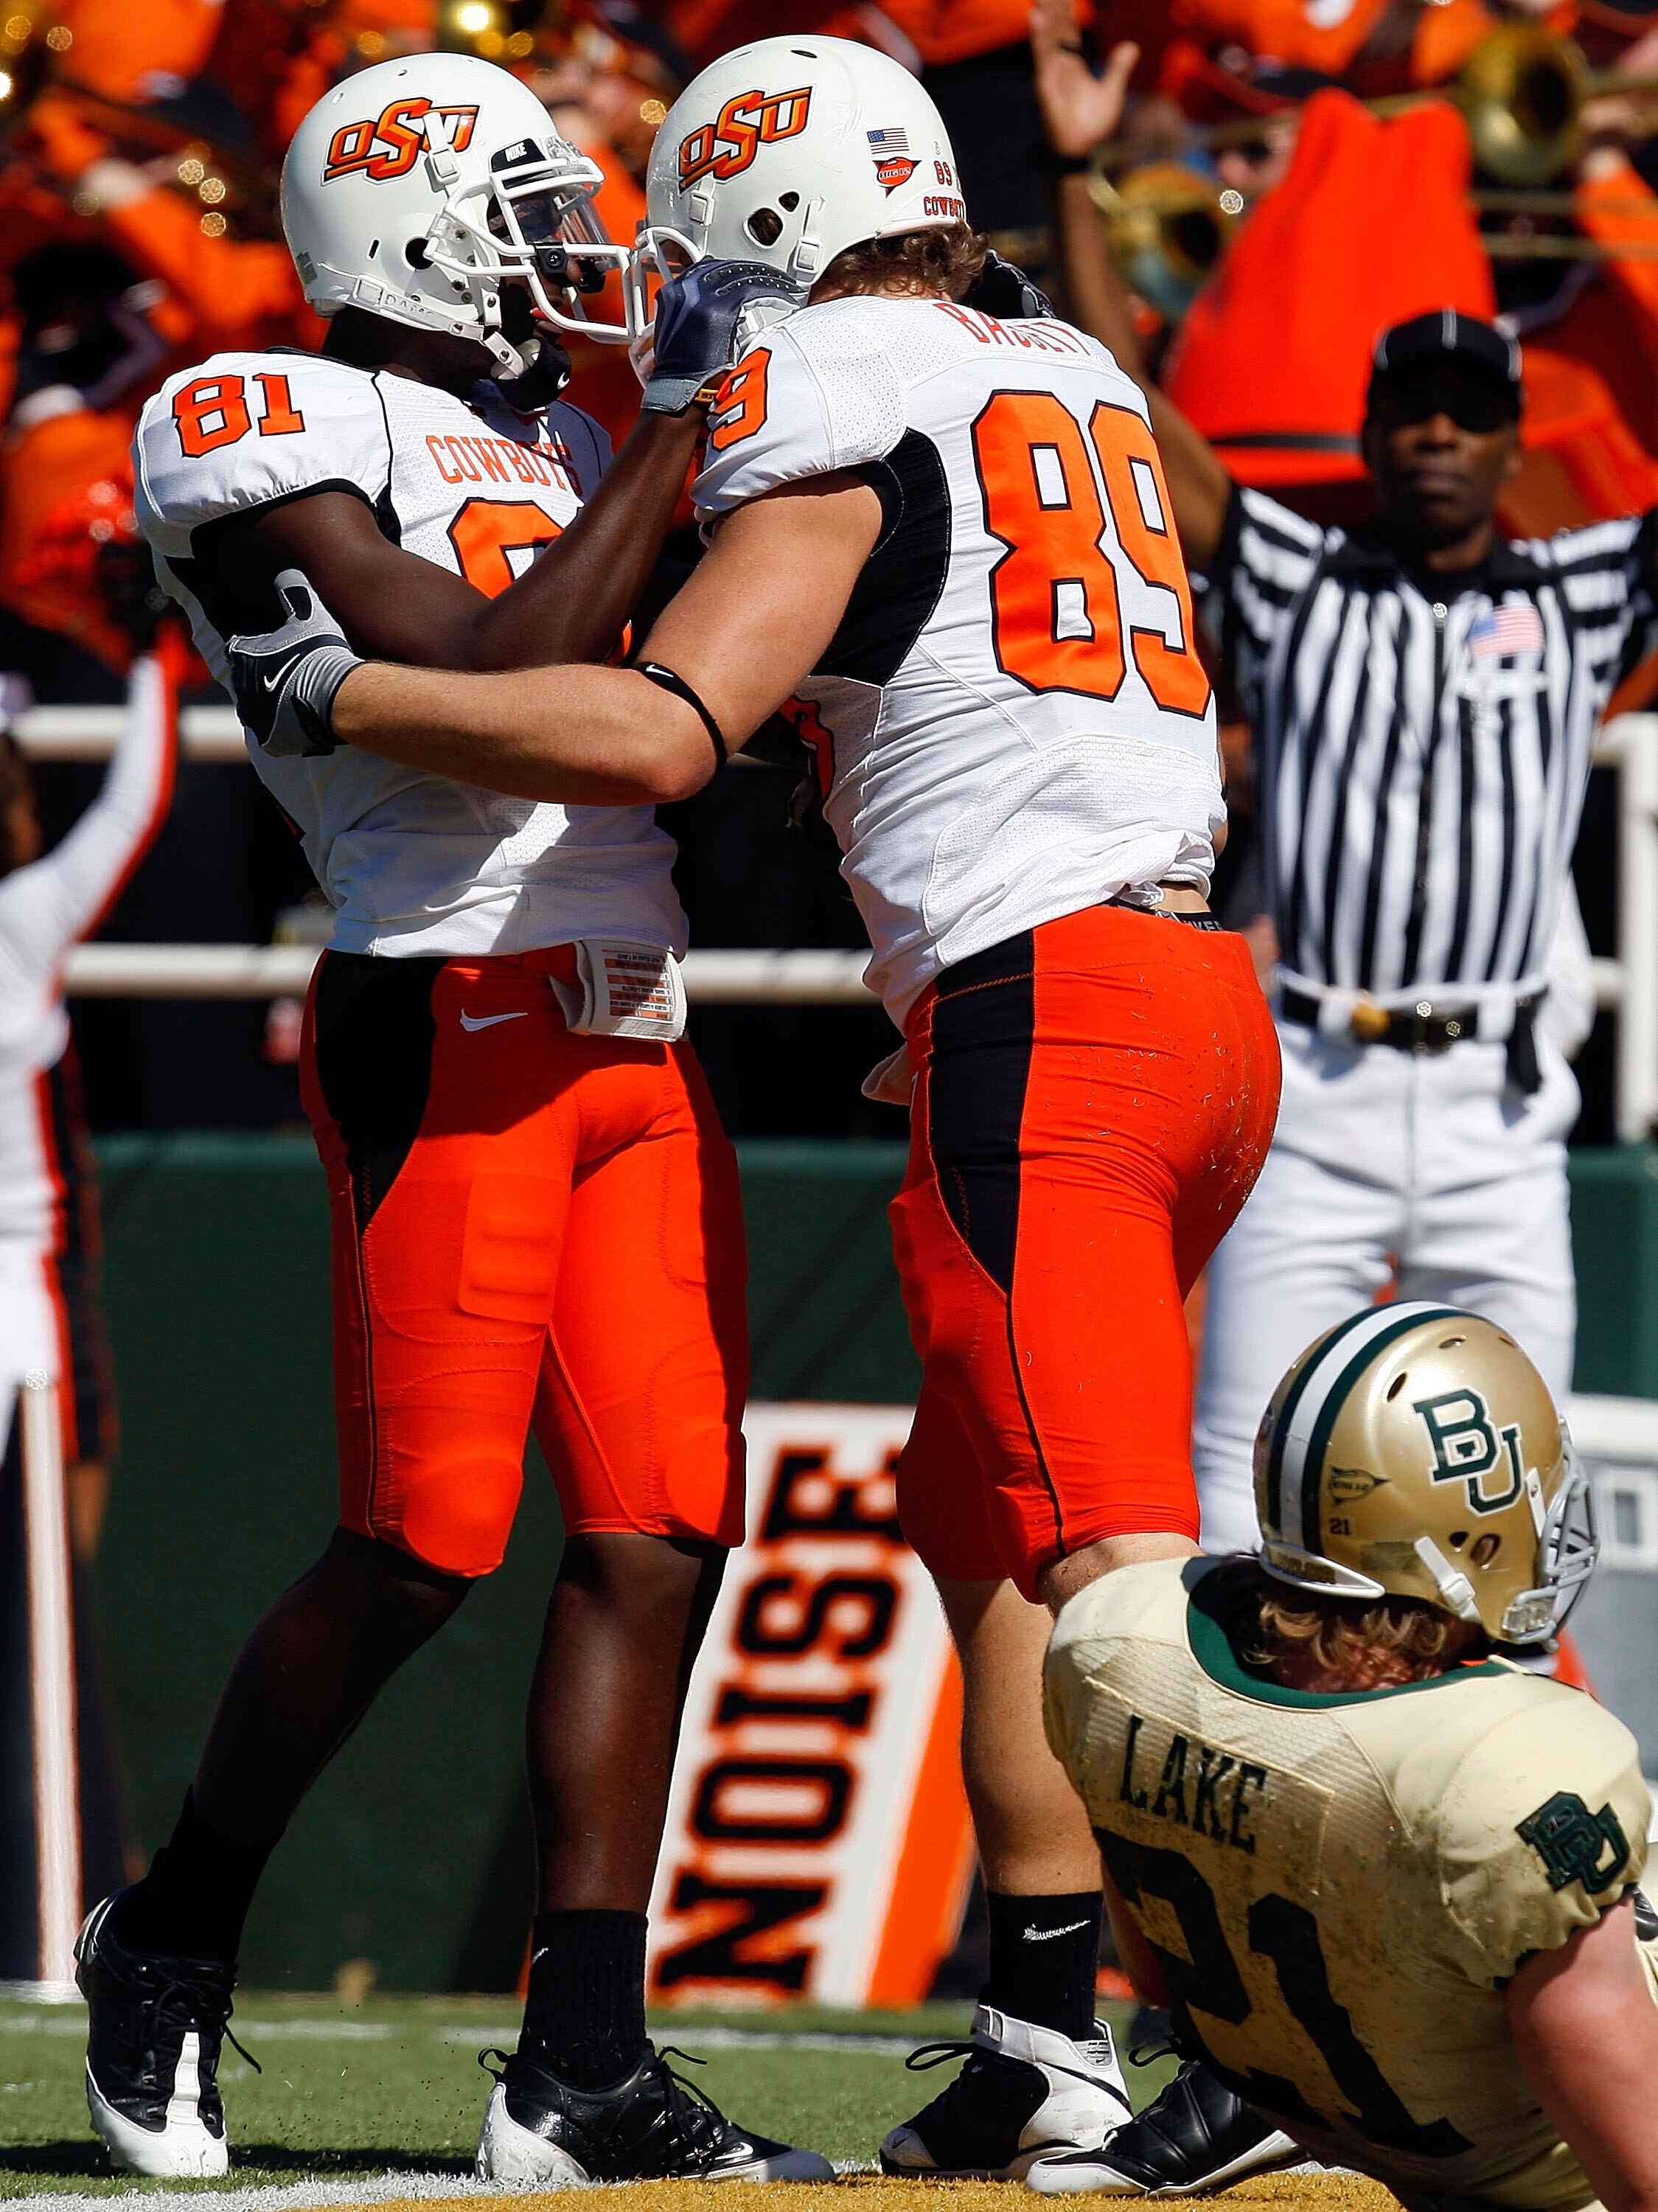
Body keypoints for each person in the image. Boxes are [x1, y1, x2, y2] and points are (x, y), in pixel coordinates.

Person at [226, 28, 1282, 2183]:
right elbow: (1159, 545)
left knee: (1098, 1559)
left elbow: (650, 740)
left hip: (1047, 1015)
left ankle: (1245, 2031)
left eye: (718, 259)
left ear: (782, 231)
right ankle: (1040, 2023)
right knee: (976, 1512)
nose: (699, 309)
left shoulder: (833, 394)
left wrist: (352, 693)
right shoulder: (1062, 369)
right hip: (1182, 997)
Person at [93, 48, 830, 2188]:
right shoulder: (259, 415)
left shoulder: (560, 428)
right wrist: (679, 436)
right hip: (451, 1010)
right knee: (426, 1543)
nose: (574, 268)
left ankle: (578, 2062)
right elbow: (498, 664)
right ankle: (173, 1935)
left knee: (664, 1525)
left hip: (633, 1017)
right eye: (526, 225)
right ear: (402, 236)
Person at [1031, 0, 1658, 1562]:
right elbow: (1123, 405)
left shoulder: (1579, 589)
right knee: (1242, 1485)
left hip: (1500, 1100)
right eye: (1411, 415)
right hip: (1306, 1083)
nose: (1437, 438)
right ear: (1370, 435)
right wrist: (1071, 181)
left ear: (1509, 440)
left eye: (1466, 416)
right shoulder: (1294, 573)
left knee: (1514, 1508)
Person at [1036, 1301, 1658, 2207]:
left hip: (1345, 2109)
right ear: (1459, 1528)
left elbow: (1158, 1975)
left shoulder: (1116, 1641)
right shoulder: (1517, 1765)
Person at [0, 646, 175, 1981]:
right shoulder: (23, 917)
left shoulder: (21, 918)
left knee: (48, 1593)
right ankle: (56, 1918)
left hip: (32, 1296)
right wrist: (150, 666)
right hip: (25, 1310)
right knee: (46, 1607)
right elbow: (133, 802)